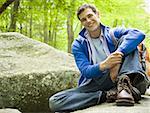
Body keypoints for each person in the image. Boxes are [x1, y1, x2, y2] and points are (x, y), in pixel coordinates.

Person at [49, 4, 149, 112]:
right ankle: (106, 95)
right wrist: (105, 65)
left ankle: (124, 86)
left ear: (97, 14)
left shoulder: (112, 33)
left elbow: (139, 34)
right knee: (55, 101)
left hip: (123, 77)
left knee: (128, 40)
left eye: (90, 16)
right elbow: (86, 71)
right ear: (81, 23)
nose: (88, 20)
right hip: (97, 83)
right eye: (83, 19)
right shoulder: (78, 44)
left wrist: (117, 56)